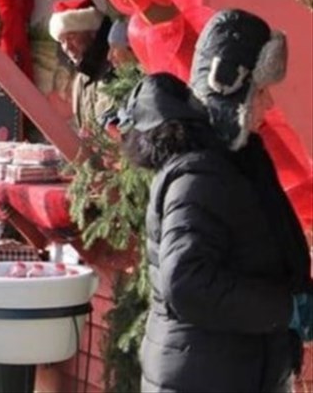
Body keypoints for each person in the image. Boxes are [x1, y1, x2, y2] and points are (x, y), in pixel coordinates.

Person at [116, 71, 311, 392]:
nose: (270, 103)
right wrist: (285, 309)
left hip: (225, 367)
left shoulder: (229, 165)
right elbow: (188, 284)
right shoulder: (198, 176)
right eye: (261, 91)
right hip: (205, 374)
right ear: (238, 97)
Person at [48, 0, 114, 133]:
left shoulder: (116, 71)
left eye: (71, 38)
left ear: (92, 33)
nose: (67, 47)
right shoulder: (80, 80)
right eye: (62, 41)